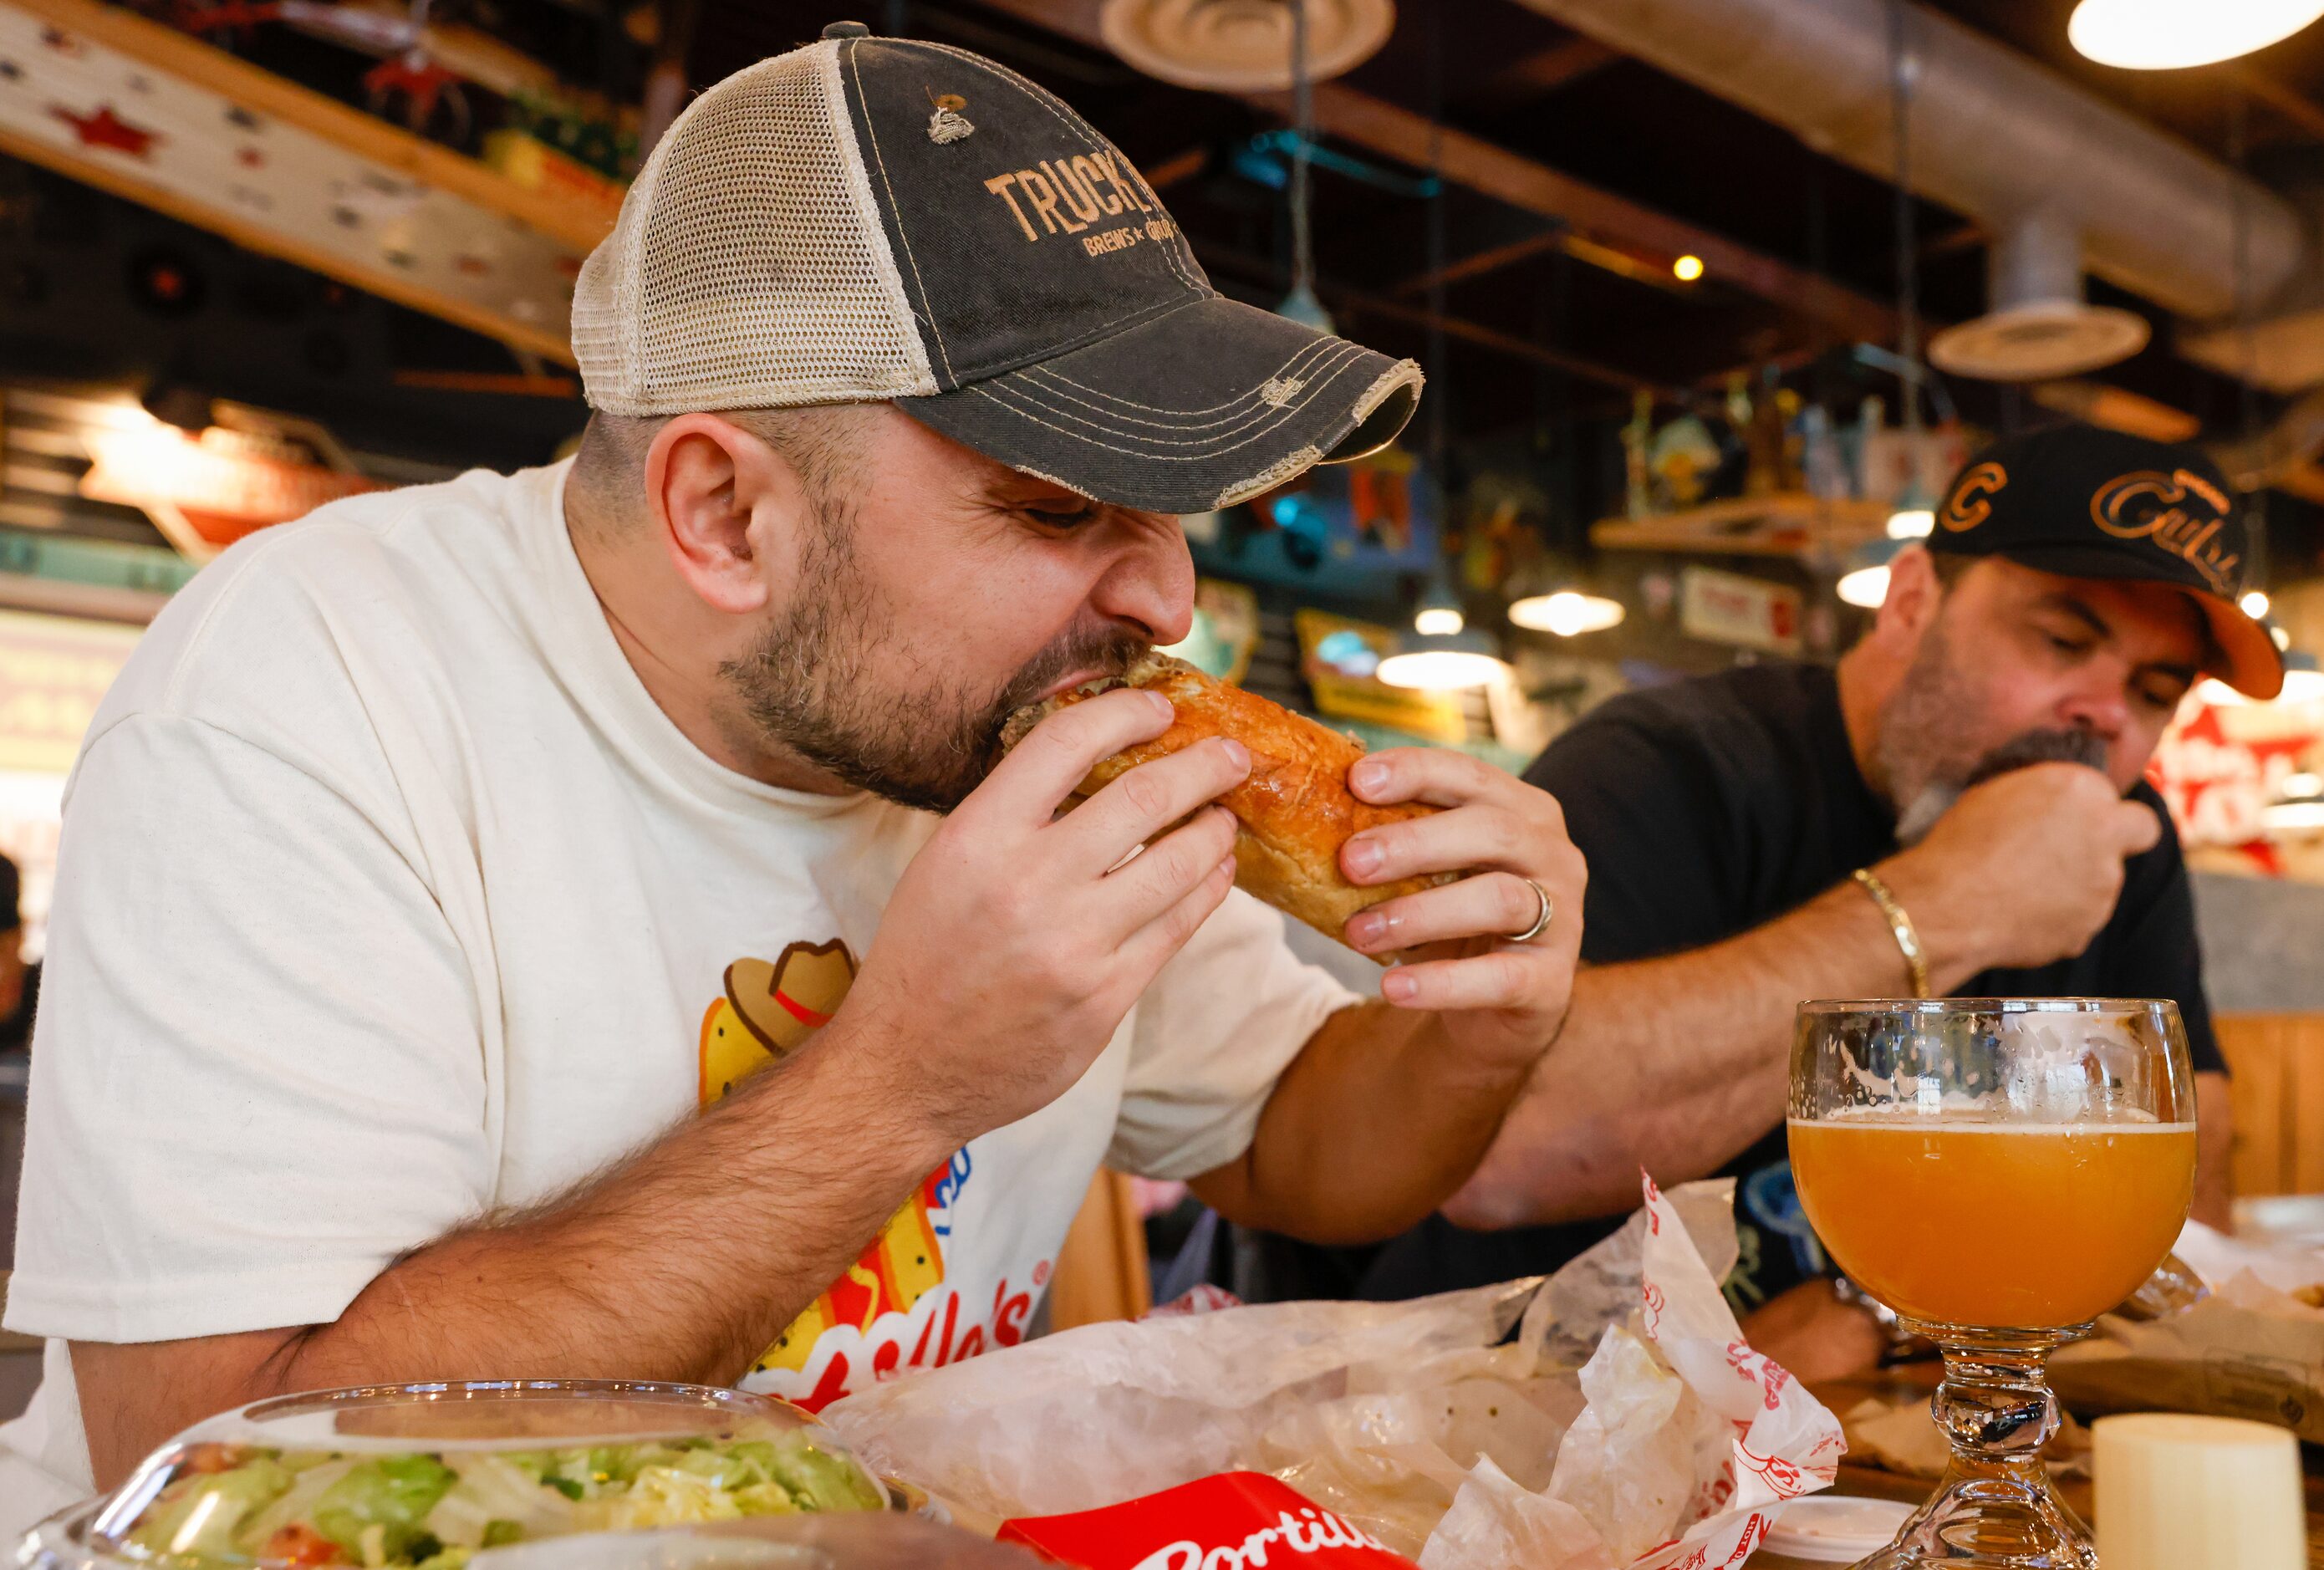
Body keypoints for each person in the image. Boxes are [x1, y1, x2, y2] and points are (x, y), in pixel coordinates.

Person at [0, 27, 1587, 1522]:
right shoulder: (306, 693)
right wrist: (903, 1079)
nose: (1167, 602)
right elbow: (227, 1469)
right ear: (724, 514)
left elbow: (1304, 1148)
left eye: (1169, 509)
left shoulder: (1009, 731)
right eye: (1054, 509)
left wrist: (1478, 1025)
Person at [1283, 428, 2263, 1374]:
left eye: (2150, 691)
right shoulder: (1667, 767)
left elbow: (2186, 1187)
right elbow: (1499, 1163)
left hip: (1875, 1429)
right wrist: (1947, 901)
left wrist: (1876, 1310)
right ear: (1911, 600)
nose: (2101, 716)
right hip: (1500, 1418)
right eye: (2059, 639)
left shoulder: (2121, 839)